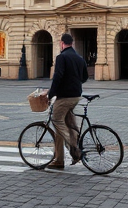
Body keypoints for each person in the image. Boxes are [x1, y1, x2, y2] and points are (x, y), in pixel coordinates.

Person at [47, 33, 89, 169]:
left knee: (56, 120)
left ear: (62, 43)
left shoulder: (62, 57)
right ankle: (59, 160)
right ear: (72, 43)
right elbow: (85, 77)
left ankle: (74, 147)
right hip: (76, 96)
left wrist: (51, 94)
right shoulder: (79, 58)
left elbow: (57, 77)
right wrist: (75, 82)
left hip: (64, 97)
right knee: (66, 123)